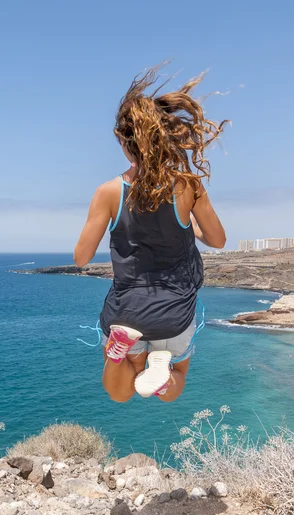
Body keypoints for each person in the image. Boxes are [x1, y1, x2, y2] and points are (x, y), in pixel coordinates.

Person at [74, 65, 227, 404]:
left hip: (125, 312)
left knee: (120, 393)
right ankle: (163, 366)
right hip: (174, 313)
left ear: (122, 140)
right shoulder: (187, 186)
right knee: (173, 389)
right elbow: (218, 240)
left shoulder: (108, 192)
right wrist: (191, 226)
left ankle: (118, 354)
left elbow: (81, 258)